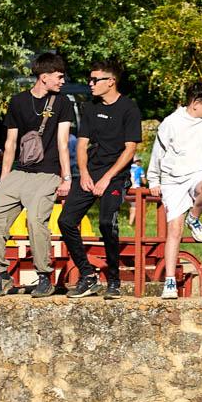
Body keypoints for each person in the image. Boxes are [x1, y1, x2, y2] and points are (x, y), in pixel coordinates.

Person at [0, 52, 74, 299]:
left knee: (35, 220)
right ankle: (0, 275)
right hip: (20, 171)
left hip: (48, 173)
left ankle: (44, 276)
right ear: (44, 77)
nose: (62, 81)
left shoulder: (63, 102)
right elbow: (10, 143)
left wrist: (67, 178)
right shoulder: (18, 101)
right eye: (59, 76)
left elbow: (63, 143)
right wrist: (4, 179)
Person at [58, 59, 142, 299]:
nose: (91, 84)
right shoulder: (90, 107)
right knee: (66, 220)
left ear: (111, 82)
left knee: (106, 222)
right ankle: (87, 275)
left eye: (95, 80)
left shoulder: (129, 108)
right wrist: (84, 173)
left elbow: (130, 149)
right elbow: (82, 144)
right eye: (90, 79)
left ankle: (114, 280)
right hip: (90, 172)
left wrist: (107, 178)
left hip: (115, 175)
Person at [146, 82, 202, 300]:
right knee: (174, 230)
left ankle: (194, 218)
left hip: (198, 173)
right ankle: (169, 281)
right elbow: (158, 152)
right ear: (195, 103)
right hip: (173, 180)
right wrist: (153, 179)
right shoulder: (171, 122)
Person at [128, 155, 145, 227]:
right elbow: (144, 181)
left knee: (131, 205)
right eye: (139, 161)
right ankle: (130, 224)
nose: (140, 162)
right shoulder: (140, 169)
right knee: (134, 207)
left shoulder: (127, 168)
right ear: (136, 161)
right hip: (135, 189)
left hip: (128, 188)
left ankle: (132, 222)